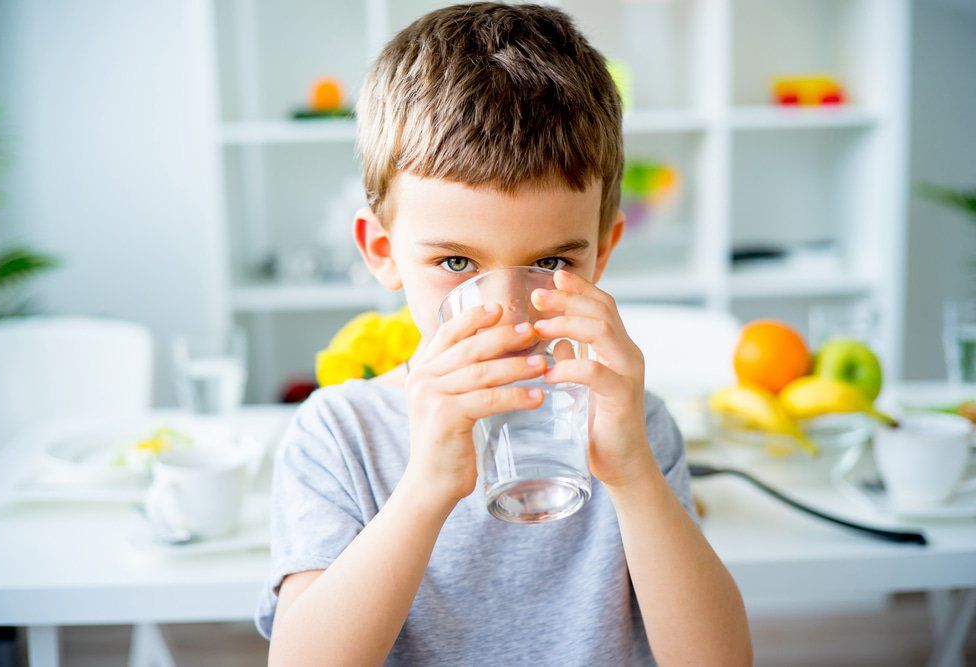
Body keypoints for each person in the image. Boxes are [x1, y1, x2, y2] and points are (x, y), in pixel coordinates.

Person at [256, 3, 751, 665]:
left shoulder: (631, 426)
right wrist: (427, 483)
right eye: (457, 264)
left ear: (601, 254)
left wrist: (634, 474)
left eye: (550, 263)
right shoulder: (340, 436)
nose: (510, 316)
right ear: (381, 250)